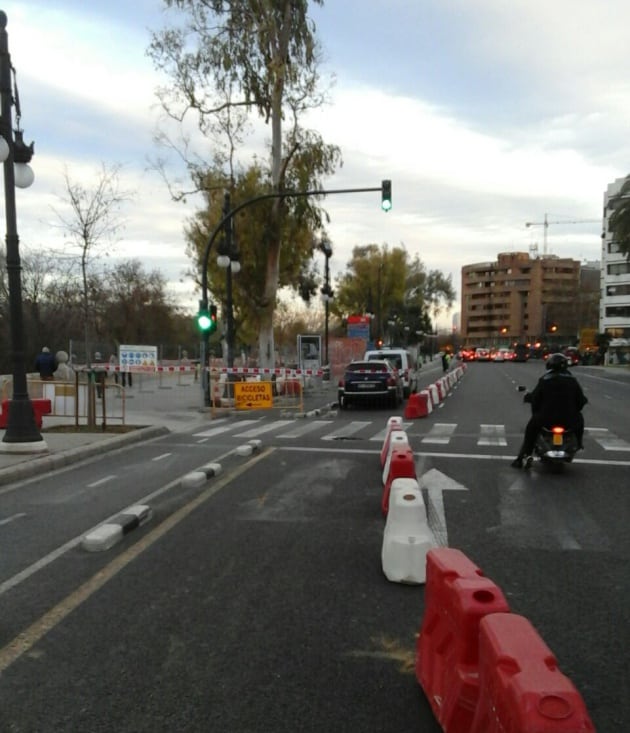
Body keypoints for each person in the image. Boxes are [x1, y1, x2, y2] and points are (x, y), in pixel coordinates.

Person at [511, 353, 588, 468]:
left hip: (545, 419)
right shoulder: (572, 381)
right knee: (580, 420)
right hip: (569, 420)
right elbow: (581, 401)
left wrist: (529, 398)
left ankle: (522, 456)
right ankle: (579, 443)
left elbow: (536, 398)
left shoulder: (545, 380)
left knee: (531, 430)